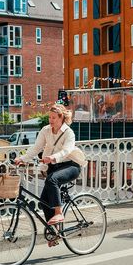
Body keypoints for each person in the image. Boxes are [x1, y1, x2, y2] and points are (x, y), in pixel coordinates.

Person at [13, 103, 80, 246]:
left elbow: (67, 151)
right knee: (43, 201)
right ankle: (55, 232)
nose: (50, 120)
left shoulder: (69, 133)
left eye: (53, 118)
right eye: (49, 117)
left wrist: (53, 157)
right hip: (52, 167)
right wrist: (22, 158)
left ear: (61, 118)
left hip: (70, 165)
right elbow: (36, 148)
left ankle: (59, 213)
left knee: (52, 180)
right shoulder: (45, 130)